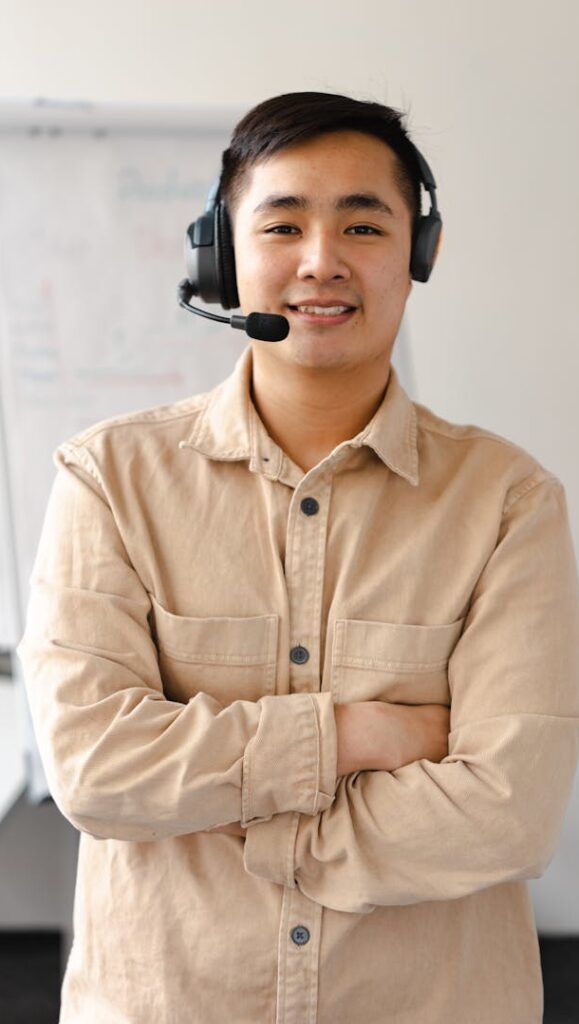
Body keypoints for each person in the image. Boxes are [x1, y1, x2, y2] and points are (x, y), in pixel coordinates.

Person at [18, 91, 579, 1024]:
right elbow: (93, 770)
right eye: (282, 224)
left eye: (363, 223)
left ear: (419, 255)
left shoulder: (508, 501)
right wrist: (354, 735)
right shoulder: (107, 478)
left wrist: (249, 818)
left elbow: (508, 812)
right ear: (222, 254)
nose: (321, 261)